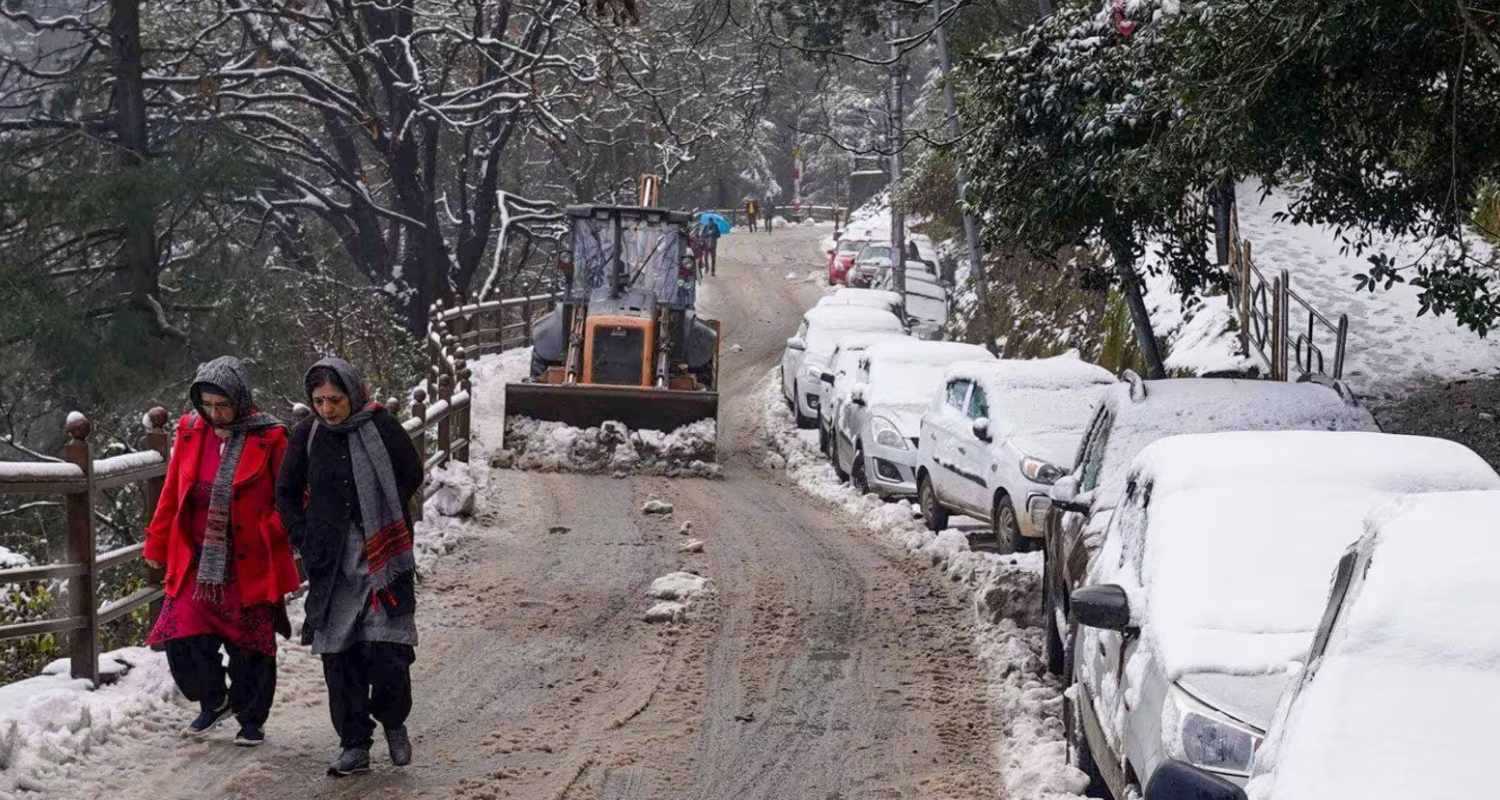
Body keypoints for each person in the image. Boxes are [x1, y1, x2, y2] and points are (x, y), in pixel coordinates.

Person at [277, 358, 424, 777]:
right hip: (333, 566)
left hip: (383, 560)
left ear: (353, 395)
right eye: (319, 400)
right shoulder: (308, 435)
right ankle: (354, 745)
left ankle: (393, 719)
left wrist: (382, 513)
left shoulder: (381, 426)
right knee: (339, 660)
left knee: (387, 654)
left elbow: (410, 472)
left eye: (335, 400)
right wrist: (304, 534)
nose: (328, 409)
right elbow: (286, 491)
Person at [144, 356, 300, 746]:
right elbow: (172, 493)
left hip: (250, 558)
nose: (215, 414)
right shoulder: (190, 431)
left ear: (241, 399)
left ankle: (251, 718)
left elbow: (294, 496)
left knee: (251, 645)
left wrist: (272, 530)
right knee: (180, 637)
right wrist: (158, 541)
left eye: (223, 405)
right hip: (196, 560)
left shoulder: (271, 436)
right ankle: (213, 700)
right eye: (207, 405)